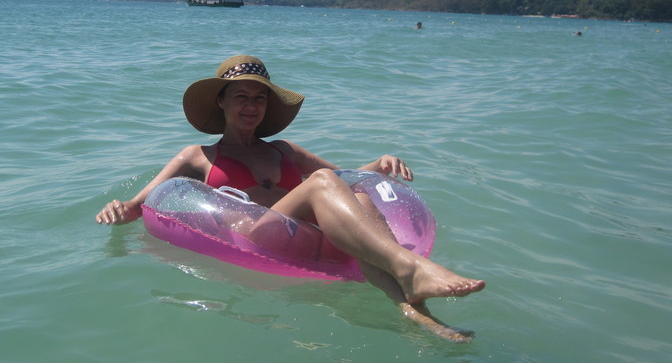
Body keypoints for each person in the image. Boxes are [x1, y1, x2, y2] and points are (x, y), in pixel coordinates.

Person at [96, 55, 485, 341]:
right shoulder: (198, 156)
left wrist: (378, 165)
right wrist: (118, 209)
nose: (251, 107)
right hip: (256, 234)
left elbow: (348, 179)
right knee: (320, 182)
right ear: (221, 101)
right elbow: (138, 206)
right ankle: (411, 267)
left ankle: (416, 312)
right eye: (241, 97)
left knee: (361, 204)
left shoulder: (284, 149)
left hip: (302, 233)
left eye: (260, 99)